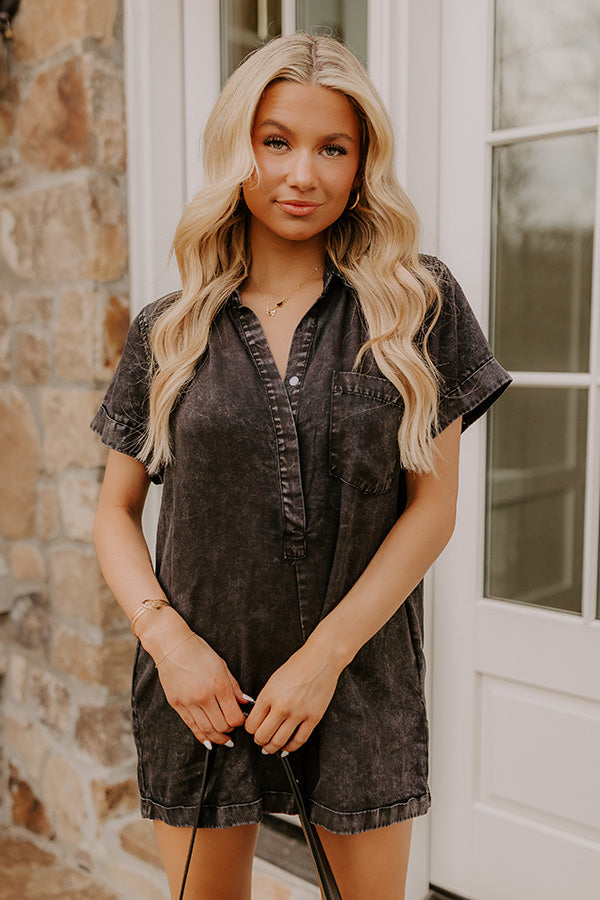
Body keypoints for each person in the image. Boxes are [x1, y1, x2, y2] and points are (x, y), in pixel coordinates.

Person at [92, 32, 510, 900]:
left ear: (362, 166)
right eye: (276, 141)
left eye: (333, 149)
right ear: (236, 147)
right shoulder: (169, 329)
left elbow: (432, 511)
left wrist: (323, 659)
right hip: (201, 690)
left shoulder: (416, 305)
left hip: (357, 682)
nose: (302, 174)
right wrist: (168, 644)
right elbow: (114, 512)